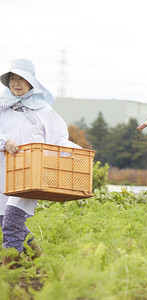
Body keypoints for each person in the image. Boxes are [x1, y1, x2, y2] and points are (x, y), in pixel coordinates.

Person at [0, 58, 80, 267]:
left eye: (21, 79)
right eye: (13, 79)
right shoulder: (2, 106)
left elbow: (59, 139)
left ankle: (9, 269)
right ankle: (42, 261)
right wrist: (4, 142)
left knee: (11, 222)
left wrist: (76, 154)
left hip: (28, 176)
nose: (16, 83)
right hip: (2, 173)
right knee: (5, 223)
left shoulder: (44, 111)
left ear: (31, 82)